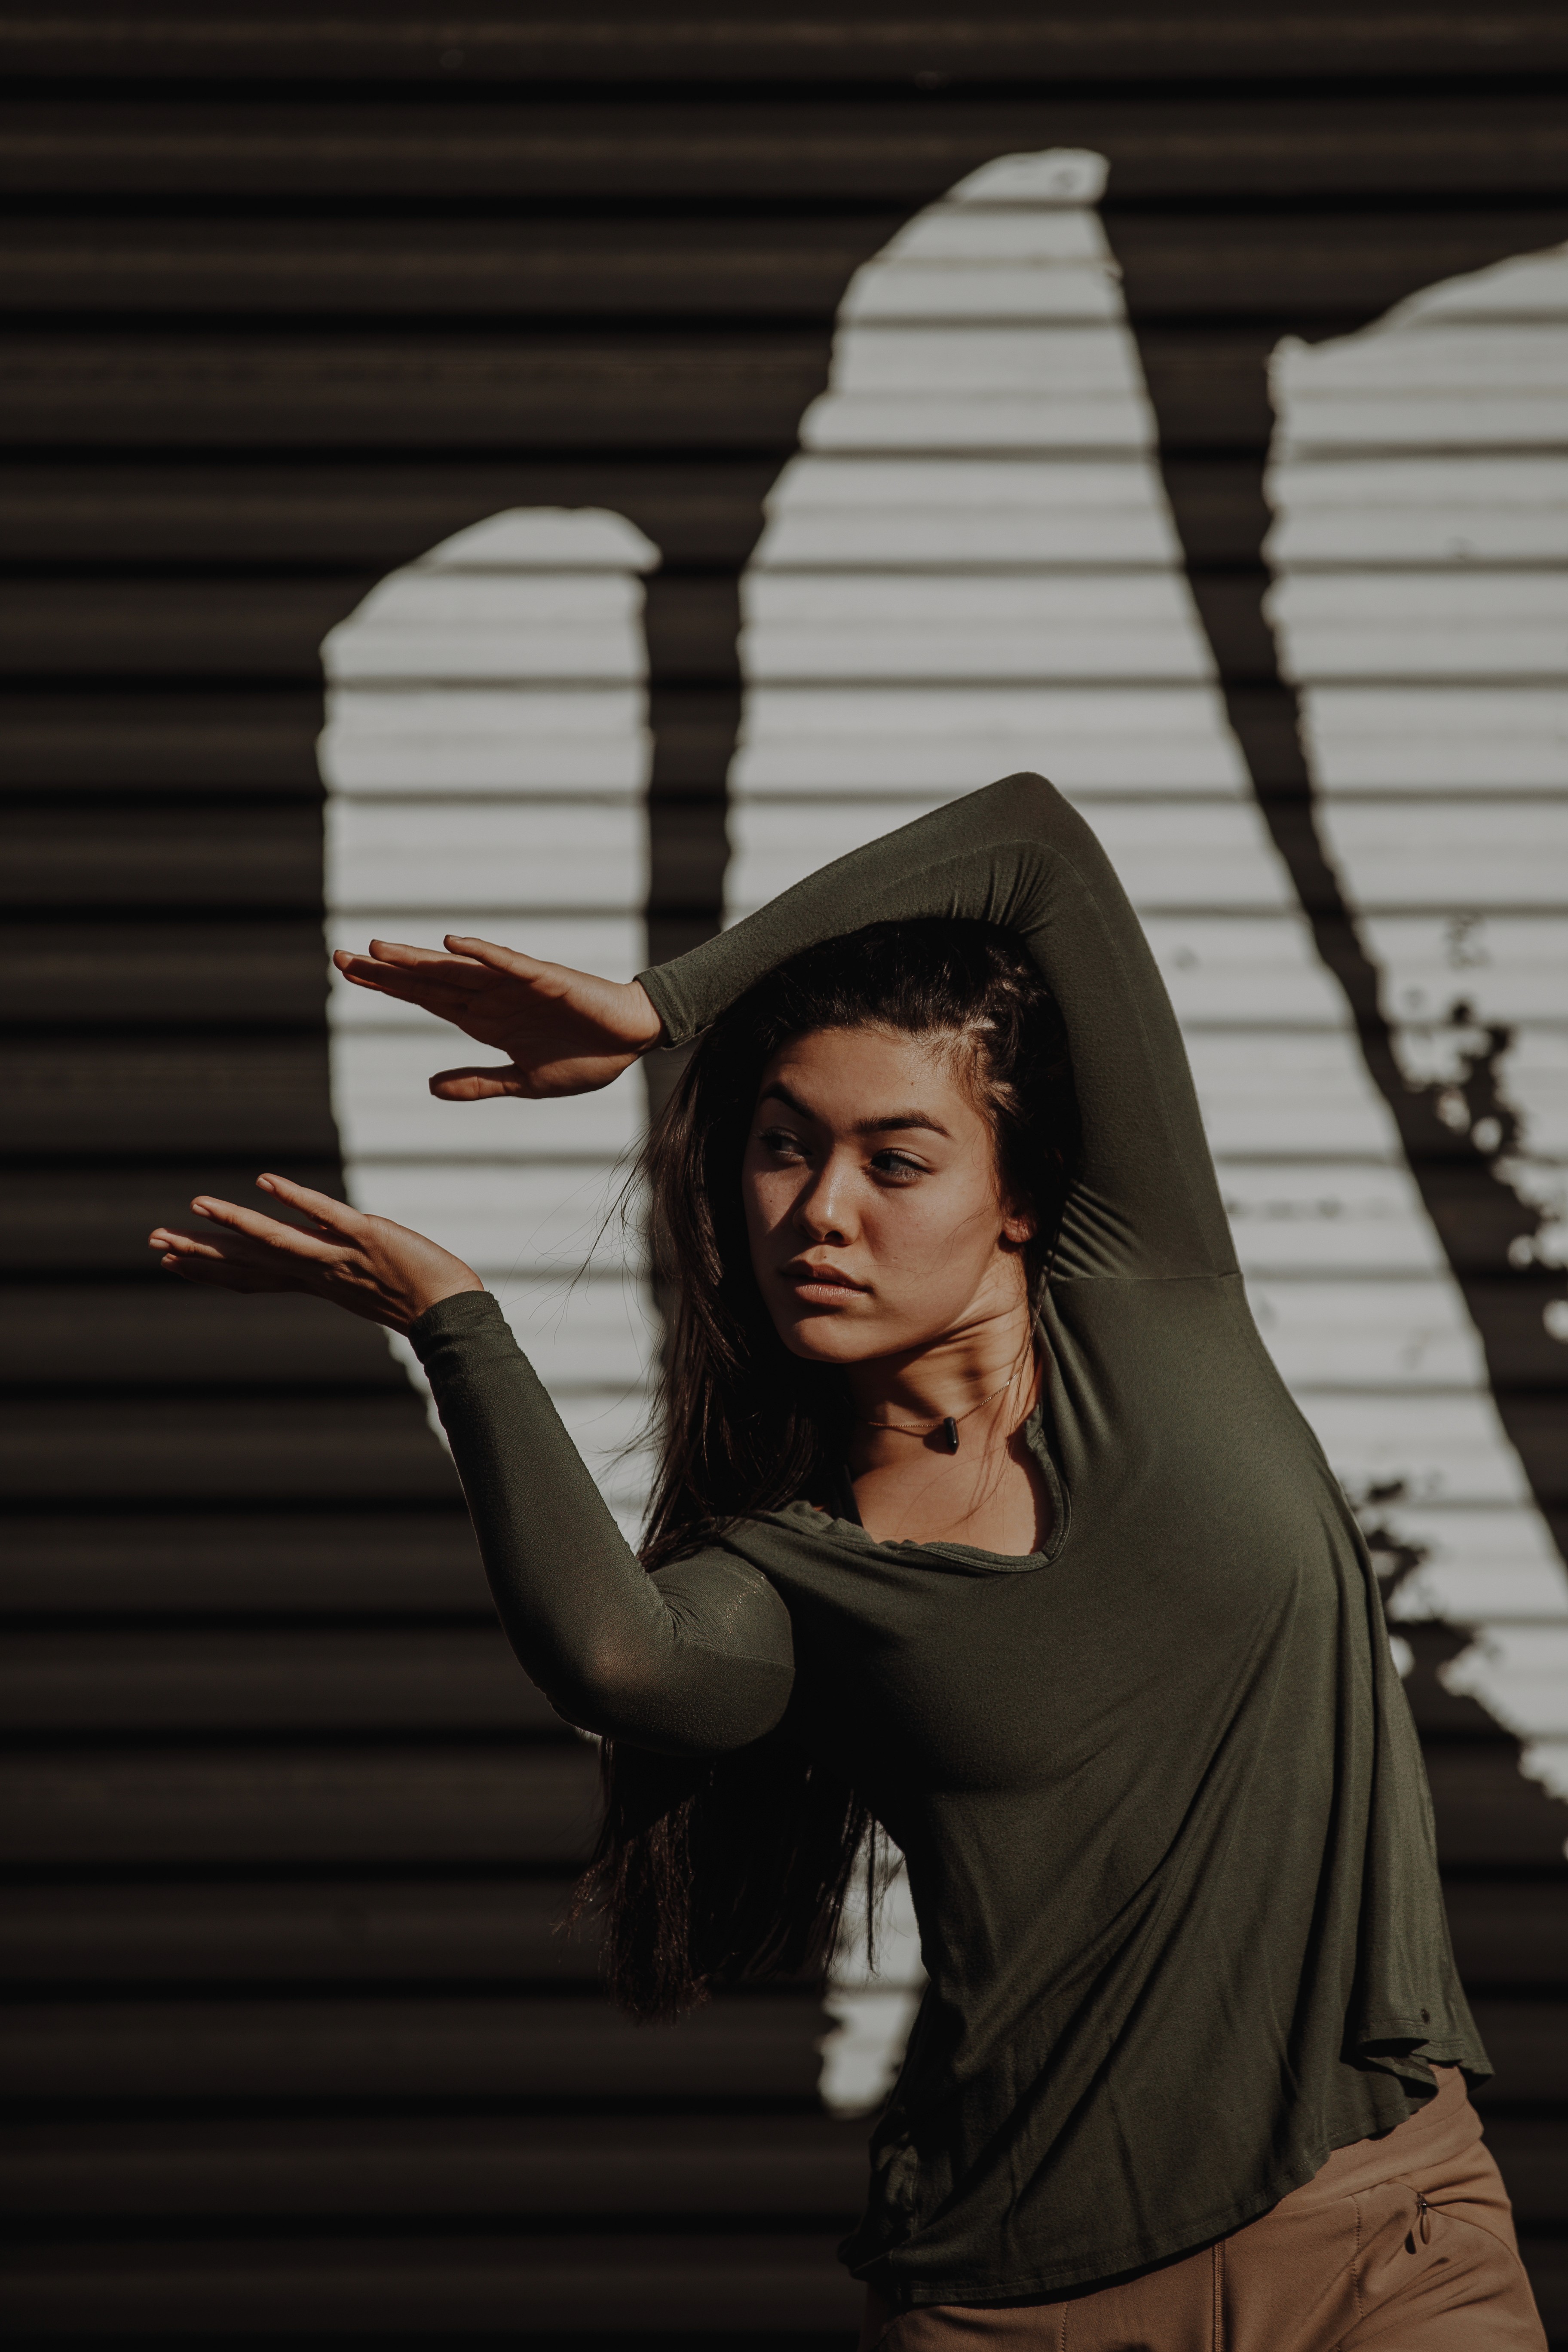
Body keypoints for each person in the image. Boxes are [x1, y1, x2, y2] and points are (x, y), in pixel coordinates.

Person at [151, 776, 1544, 2350]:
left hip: (1387, 2241)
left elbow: (1031, 846)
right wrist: (456, 1325)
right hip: (1020, 2308)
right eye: (781, 1150)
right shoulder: (791, 1576)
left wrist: (657, 1006)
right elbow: (619, 1660)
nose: (819, 1212)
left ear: (1018, 1196)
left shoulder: (1151, 1299)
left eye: (897, 1161)